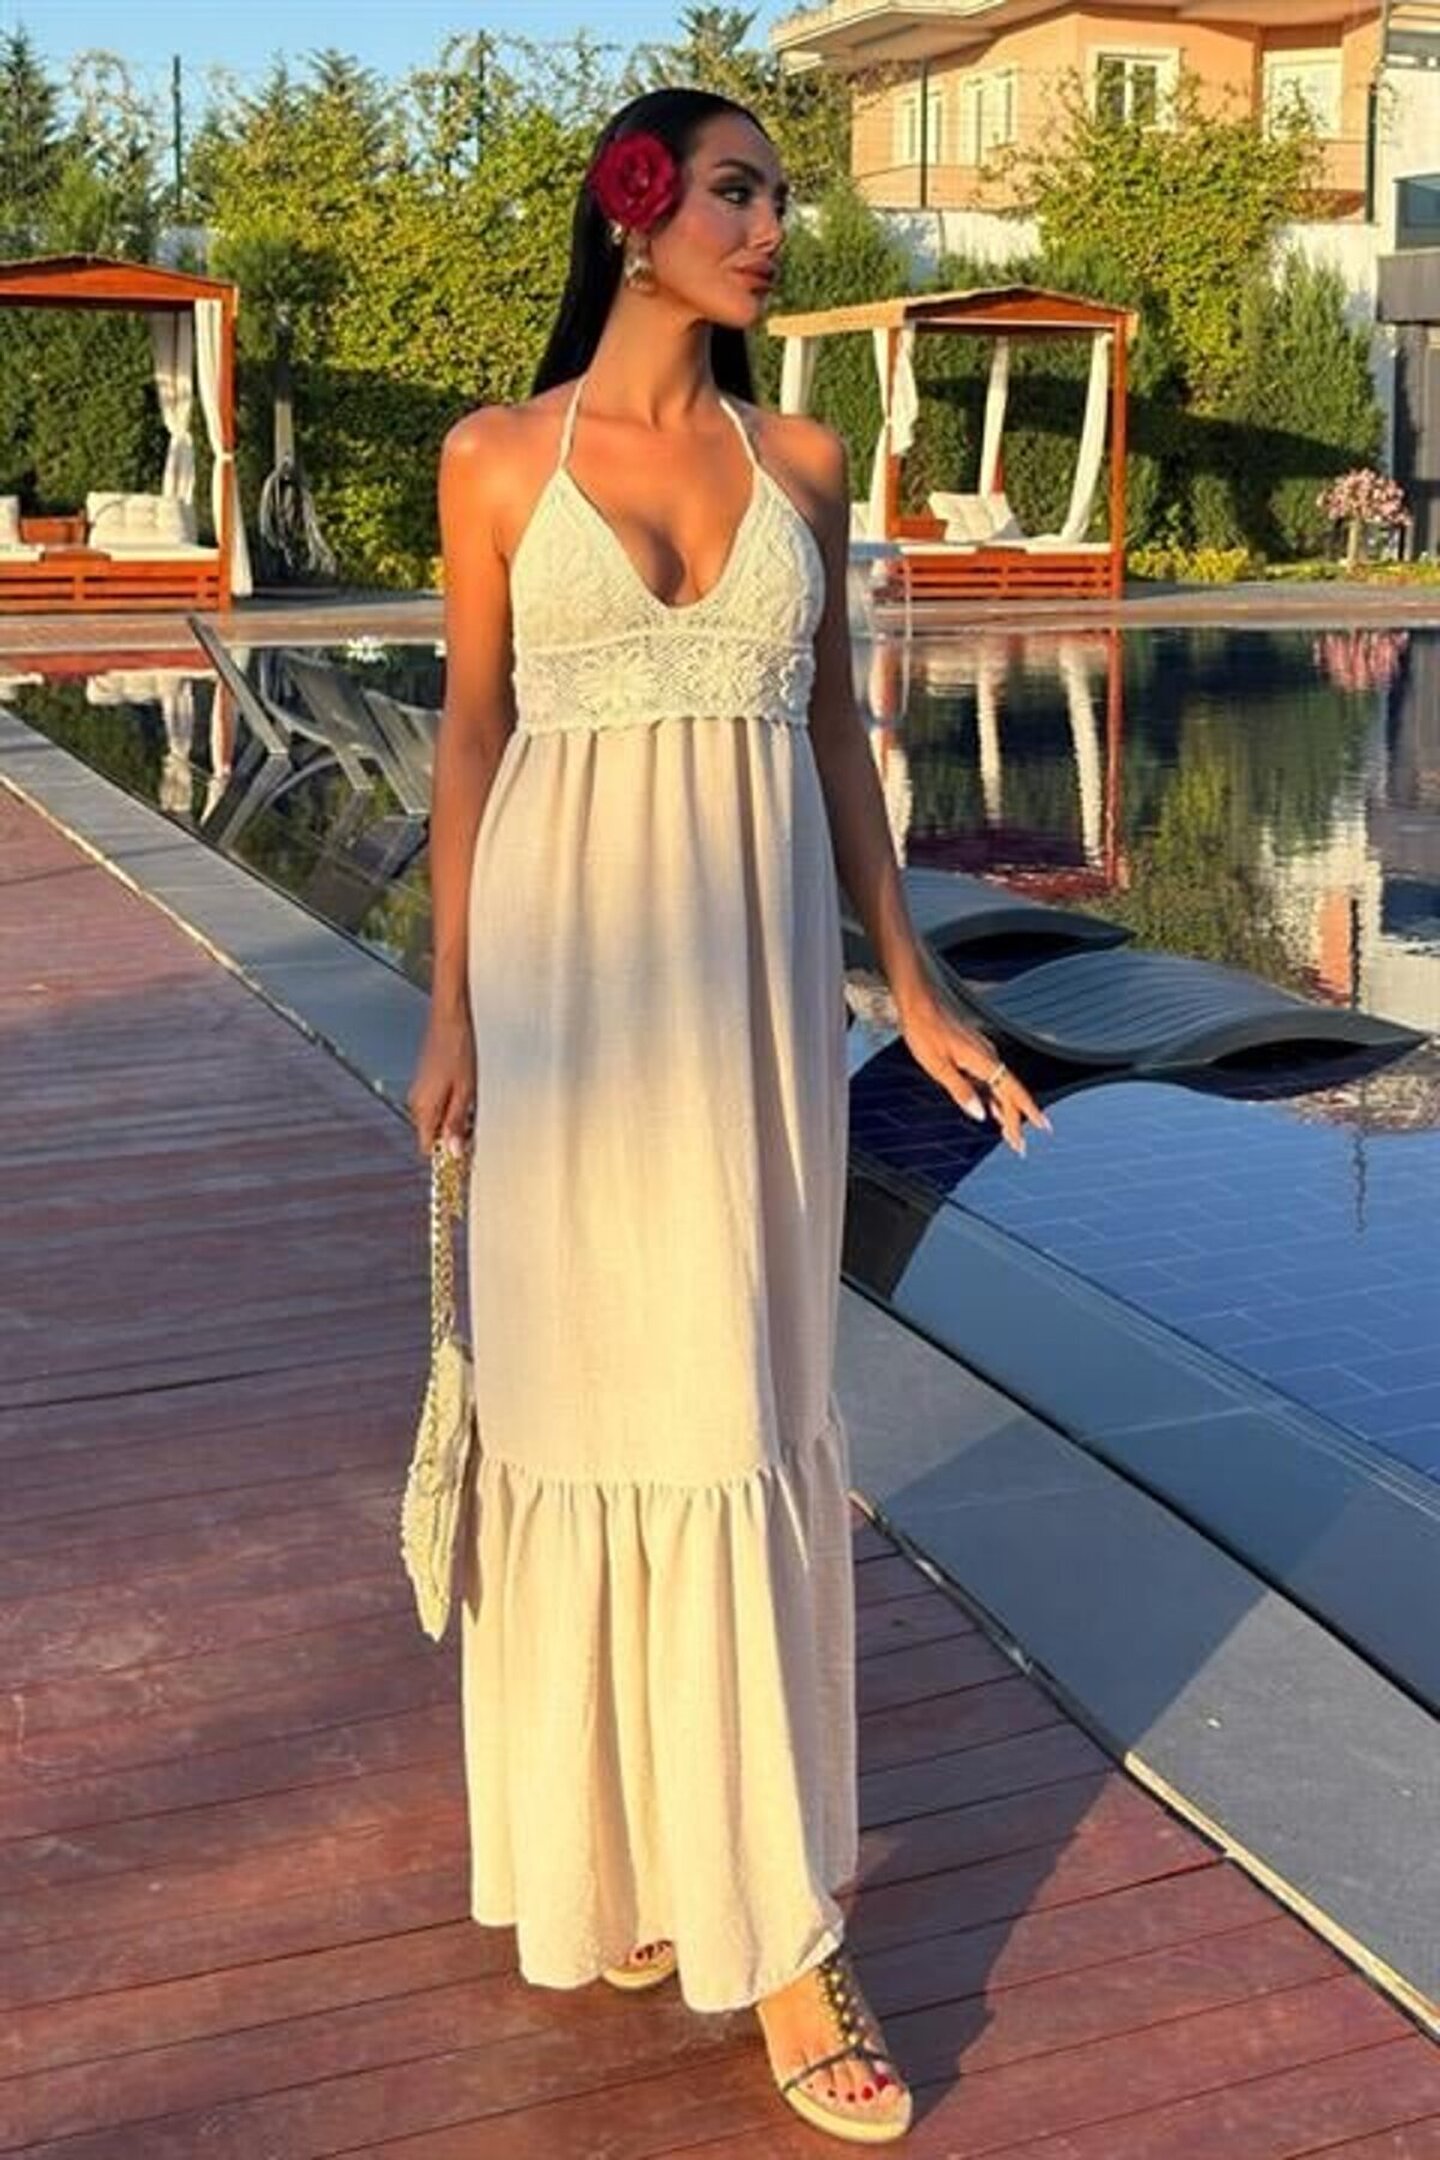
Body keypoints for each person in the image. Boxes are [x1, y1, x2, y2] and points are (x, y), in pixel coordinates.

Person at [406, 85, 1048, 2147]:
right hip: (562, 1011)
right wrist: (451, 1014)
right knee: (592, 1406)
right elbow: (476, 735)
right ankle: (627, 1860)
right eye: (741, 190)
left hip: (751, 1023)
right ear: (639, 208)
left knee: (736, 1412)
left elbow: (842, 744)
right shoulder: (497, 461)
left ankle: (780, 1928)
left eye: (781, 195)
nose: (775, 226)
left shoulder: (804, 466)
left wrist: (913, 983)